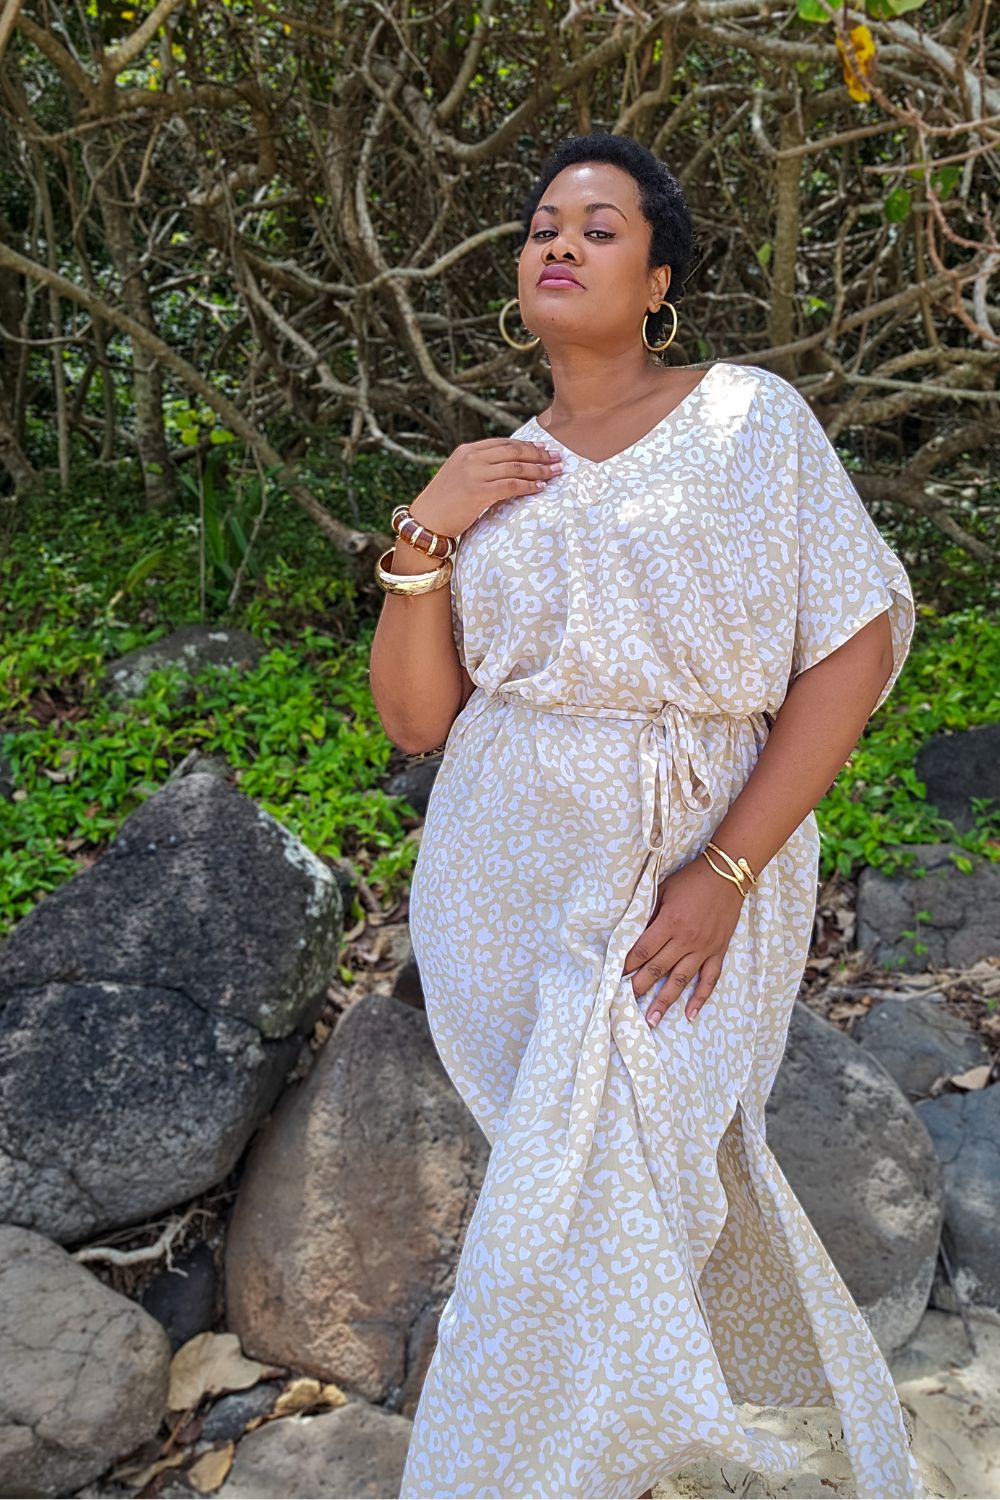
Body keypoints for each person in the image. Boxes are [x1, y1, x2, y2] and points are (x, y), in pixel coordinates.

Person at [370, 131, 926, 1500]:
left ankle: (506, 1472)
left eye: (600, 226)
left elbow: (850, 648)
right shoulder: (493, 469)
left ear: (659, 278)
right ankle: (653, 1457)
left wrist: (729, 868)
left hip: (693, 853)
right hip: (505, 876)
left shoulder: (748, 416)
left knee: (608, 1192)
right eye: (544, 223)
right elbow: (418, 721)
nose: (560, 241)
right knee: (581, 1201)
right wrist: (425, 537)